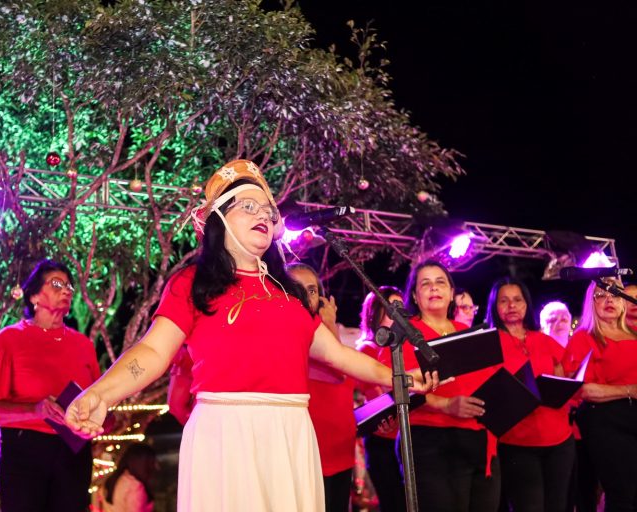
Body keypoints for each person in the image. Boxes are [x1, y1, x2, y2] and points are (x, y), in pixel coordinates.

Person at [64, 159, 439, 511]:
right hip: (225, 432)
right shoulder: (192, 283)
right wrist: (101, 393)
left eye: (268, 211)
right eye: (248, 206)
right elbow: (152, 352)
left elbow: (338, 355)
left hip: (291, 431)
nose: (263, 214)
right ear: (218, 219)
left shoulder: (289, 291)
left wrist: (399, 377)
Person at [0, 260, 101, 512]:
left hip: (74, 452)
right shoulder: (9, 339)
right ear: (34, 295)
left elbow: (103, 404)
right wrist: (35, 410)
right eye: (56, 284)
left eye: (69, 286)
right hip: (25, 451)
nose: (66, 290)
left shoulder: (83, 345)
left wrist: (96, 422)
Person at [377, 259, 501, 512]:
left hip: (480, 440)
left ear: (452, 292)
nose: (434, 288)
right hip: (430, 442)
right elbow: (392, 384)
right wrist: (445, 404)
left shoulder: (467, 331)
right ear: (415, 295)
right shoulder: (403, 335)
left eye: (440, 282)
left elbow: (489, 380)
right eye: (425, 283)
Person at [485, 278, 575, 512]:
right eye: (504, 301)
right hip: (517, 441)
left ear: (526, 304)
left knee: (557, 506)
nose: (512, 305)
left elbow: (564, 376)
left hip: (559, 439)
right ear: (494, 306)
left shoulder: (543, 339)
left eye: (518, 300)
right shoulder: (489, 342)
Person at [563, 280, 637, 512]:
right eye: (601, 295)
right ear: (591, 303)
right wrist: (629, 390)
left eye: (615, 294)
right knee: (622, 493)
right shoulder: (584, 338)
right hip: (605, 420)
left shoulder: (635, 335)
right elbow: (583, 390)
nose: (609, 300)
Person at [287, 262, 355, 512]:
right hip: (302, 455)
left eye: (312, 290)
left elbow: (341, 374)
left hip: (340, 453)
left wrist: (330, 326)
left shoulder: (332, 337)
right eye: (297, 289)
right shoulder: (283, 337)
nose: (306, 297)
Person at [355, 286, 407, 512]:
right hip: (383, 440)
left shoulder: (404, 347)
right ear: (375, 313)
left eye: (401, 308)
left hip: (405, 437)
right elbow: (377, 397)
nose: (398, 315)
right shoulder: (367, 349)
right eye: (391, 309)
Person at [97, 443, 157, 512]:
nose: (156, 467)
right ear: (142, 463)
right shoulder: (135, 486)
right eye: (152, 462)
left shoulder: (113, 480)